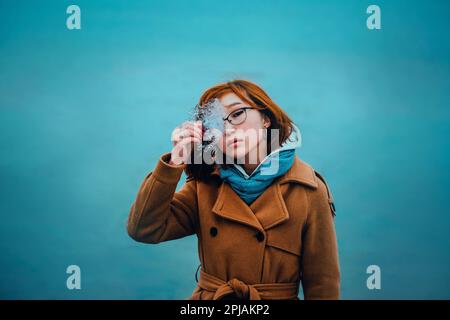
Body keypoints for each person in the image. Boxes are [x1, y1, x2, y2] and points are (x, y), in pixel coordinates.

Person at [127, 79, 340, 300]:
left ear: (266, 118)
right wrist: (175, 161)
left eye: (237, 114)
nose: (227, 129)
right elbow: (143, 230)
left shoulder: (308, 189)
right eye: (216, 123)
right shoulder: (205, 184)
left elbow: (323, 285)